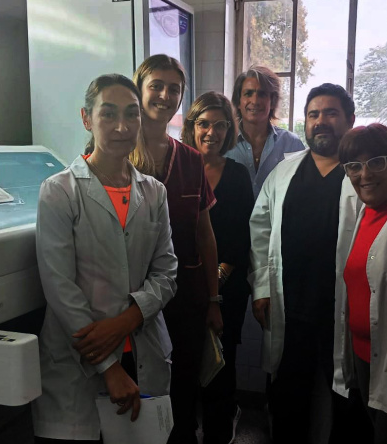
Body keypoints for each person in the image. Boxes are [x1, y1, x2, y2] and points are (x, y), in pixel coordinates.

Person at [32, 74, 178, 443]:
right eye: (108, 114)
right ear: (87, 119)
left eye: (131, 114)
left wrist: (125, 321)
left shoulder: (155, 193)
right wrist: (109, 367)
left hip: (143, 353)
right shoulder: (60, 191)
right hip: (79, 363)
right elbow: (59, 286)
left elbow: (166, 273)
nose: (121, 127)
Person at [249, 83, 360, 444]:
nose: (320, 121)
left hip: (342, 308)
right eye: (313, 114)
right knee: (288, 398)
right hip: (289, 305)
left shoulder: (362, 173)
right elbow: (260, 228)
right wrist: (262, 288)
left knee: (345, 398)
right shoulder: (285, 172)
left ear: (350, 119)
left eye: (330, 113)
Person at [131, 54, 222, 444]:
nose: (165, 96)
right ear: (139, 90)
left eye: (174, 89)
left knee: (183, 390)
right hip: (130, 298)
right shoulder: (117, 155)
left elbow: (205, 235)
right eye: (156, 86)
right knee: (137, 391)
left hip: (185, 297)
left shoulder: (190, 160)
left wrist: (214, 299)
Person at [181, 91, 254, 444]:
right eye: (204, 124)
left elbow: (242, 239)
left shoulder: (237, 175)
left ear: (229, 130)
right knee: (184, 364)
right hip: (180, 286)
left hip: (227, 287)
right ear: (192, 126)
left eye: (220, 125)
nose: (212, 132)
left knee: (221, 366)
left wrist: (215, 283)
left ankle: (220, 432)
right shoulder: (178, 168)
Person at [334, 124, 387, 444]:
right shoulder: (363, 213)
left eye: (376, 162)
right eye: (354, 166)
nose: (364, 174)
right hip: (361, 356)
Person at [226, 65, 305, 198]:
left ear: (272, 102)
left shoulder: (291, 144)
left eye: (262, 94)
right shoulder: (224, 143)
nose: (255, 101)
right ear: (238, 101)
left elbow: (301, 192)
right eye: (248, 93)